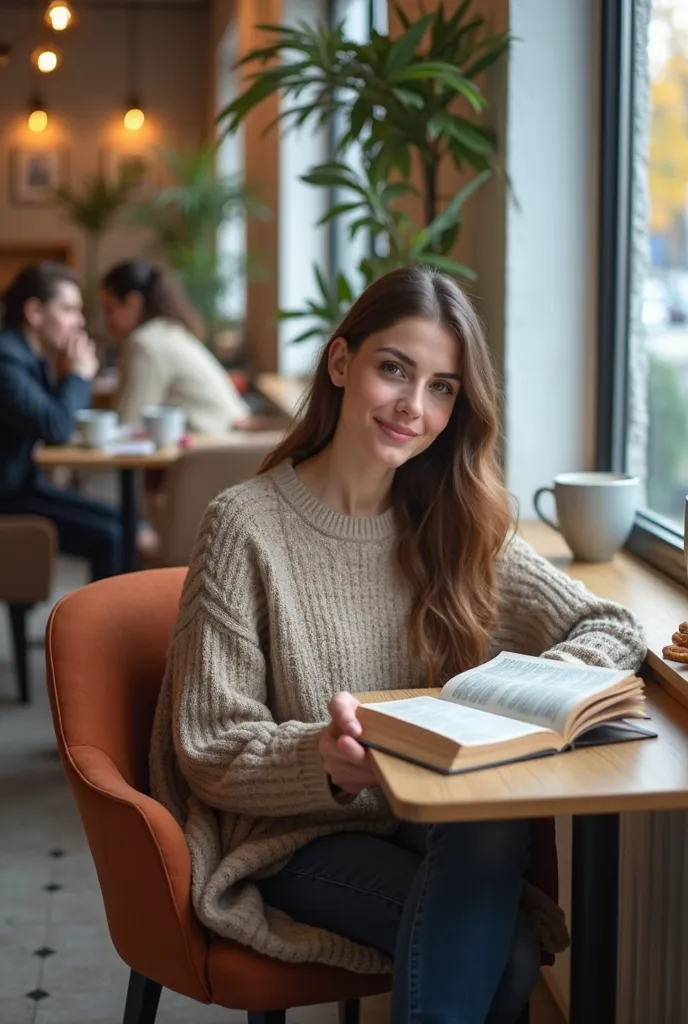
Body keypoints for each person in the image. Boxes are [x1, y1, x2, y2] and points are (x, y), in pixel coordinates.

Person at [149, 267, 646, 1023]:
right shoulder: (245, 525)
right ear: (342, 363)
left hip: (427, 828)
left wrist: (533, 688)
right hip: (296, 838)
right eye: (395, 370)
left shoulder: (454, 522)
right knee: (507, 949)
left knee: (491, 822)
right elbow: (210, 745)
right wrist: (323, 758)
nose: (415, 408)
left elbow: (613, 626)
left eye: (443, 387)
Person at [0, 263, 123, 581]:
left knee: (125, 522)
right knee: (110, 536)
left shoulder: (30, 358)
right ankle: (107, 630)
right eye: (69, 309)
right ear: (35, 312)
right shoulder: (6, 360)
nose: (79, 322)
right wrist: (79, 375)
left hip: (21, 488)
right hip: (9, 499)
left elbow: (55, 422)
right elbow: (56, 427)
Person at [101, 260, 255, 435]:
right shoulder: (166, 331)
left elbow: (128, 422)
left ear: (133, 303)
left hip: (212, 446)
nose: (107, 322)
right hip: (227, 440)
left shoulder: (147, 343)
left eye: (109, 309)